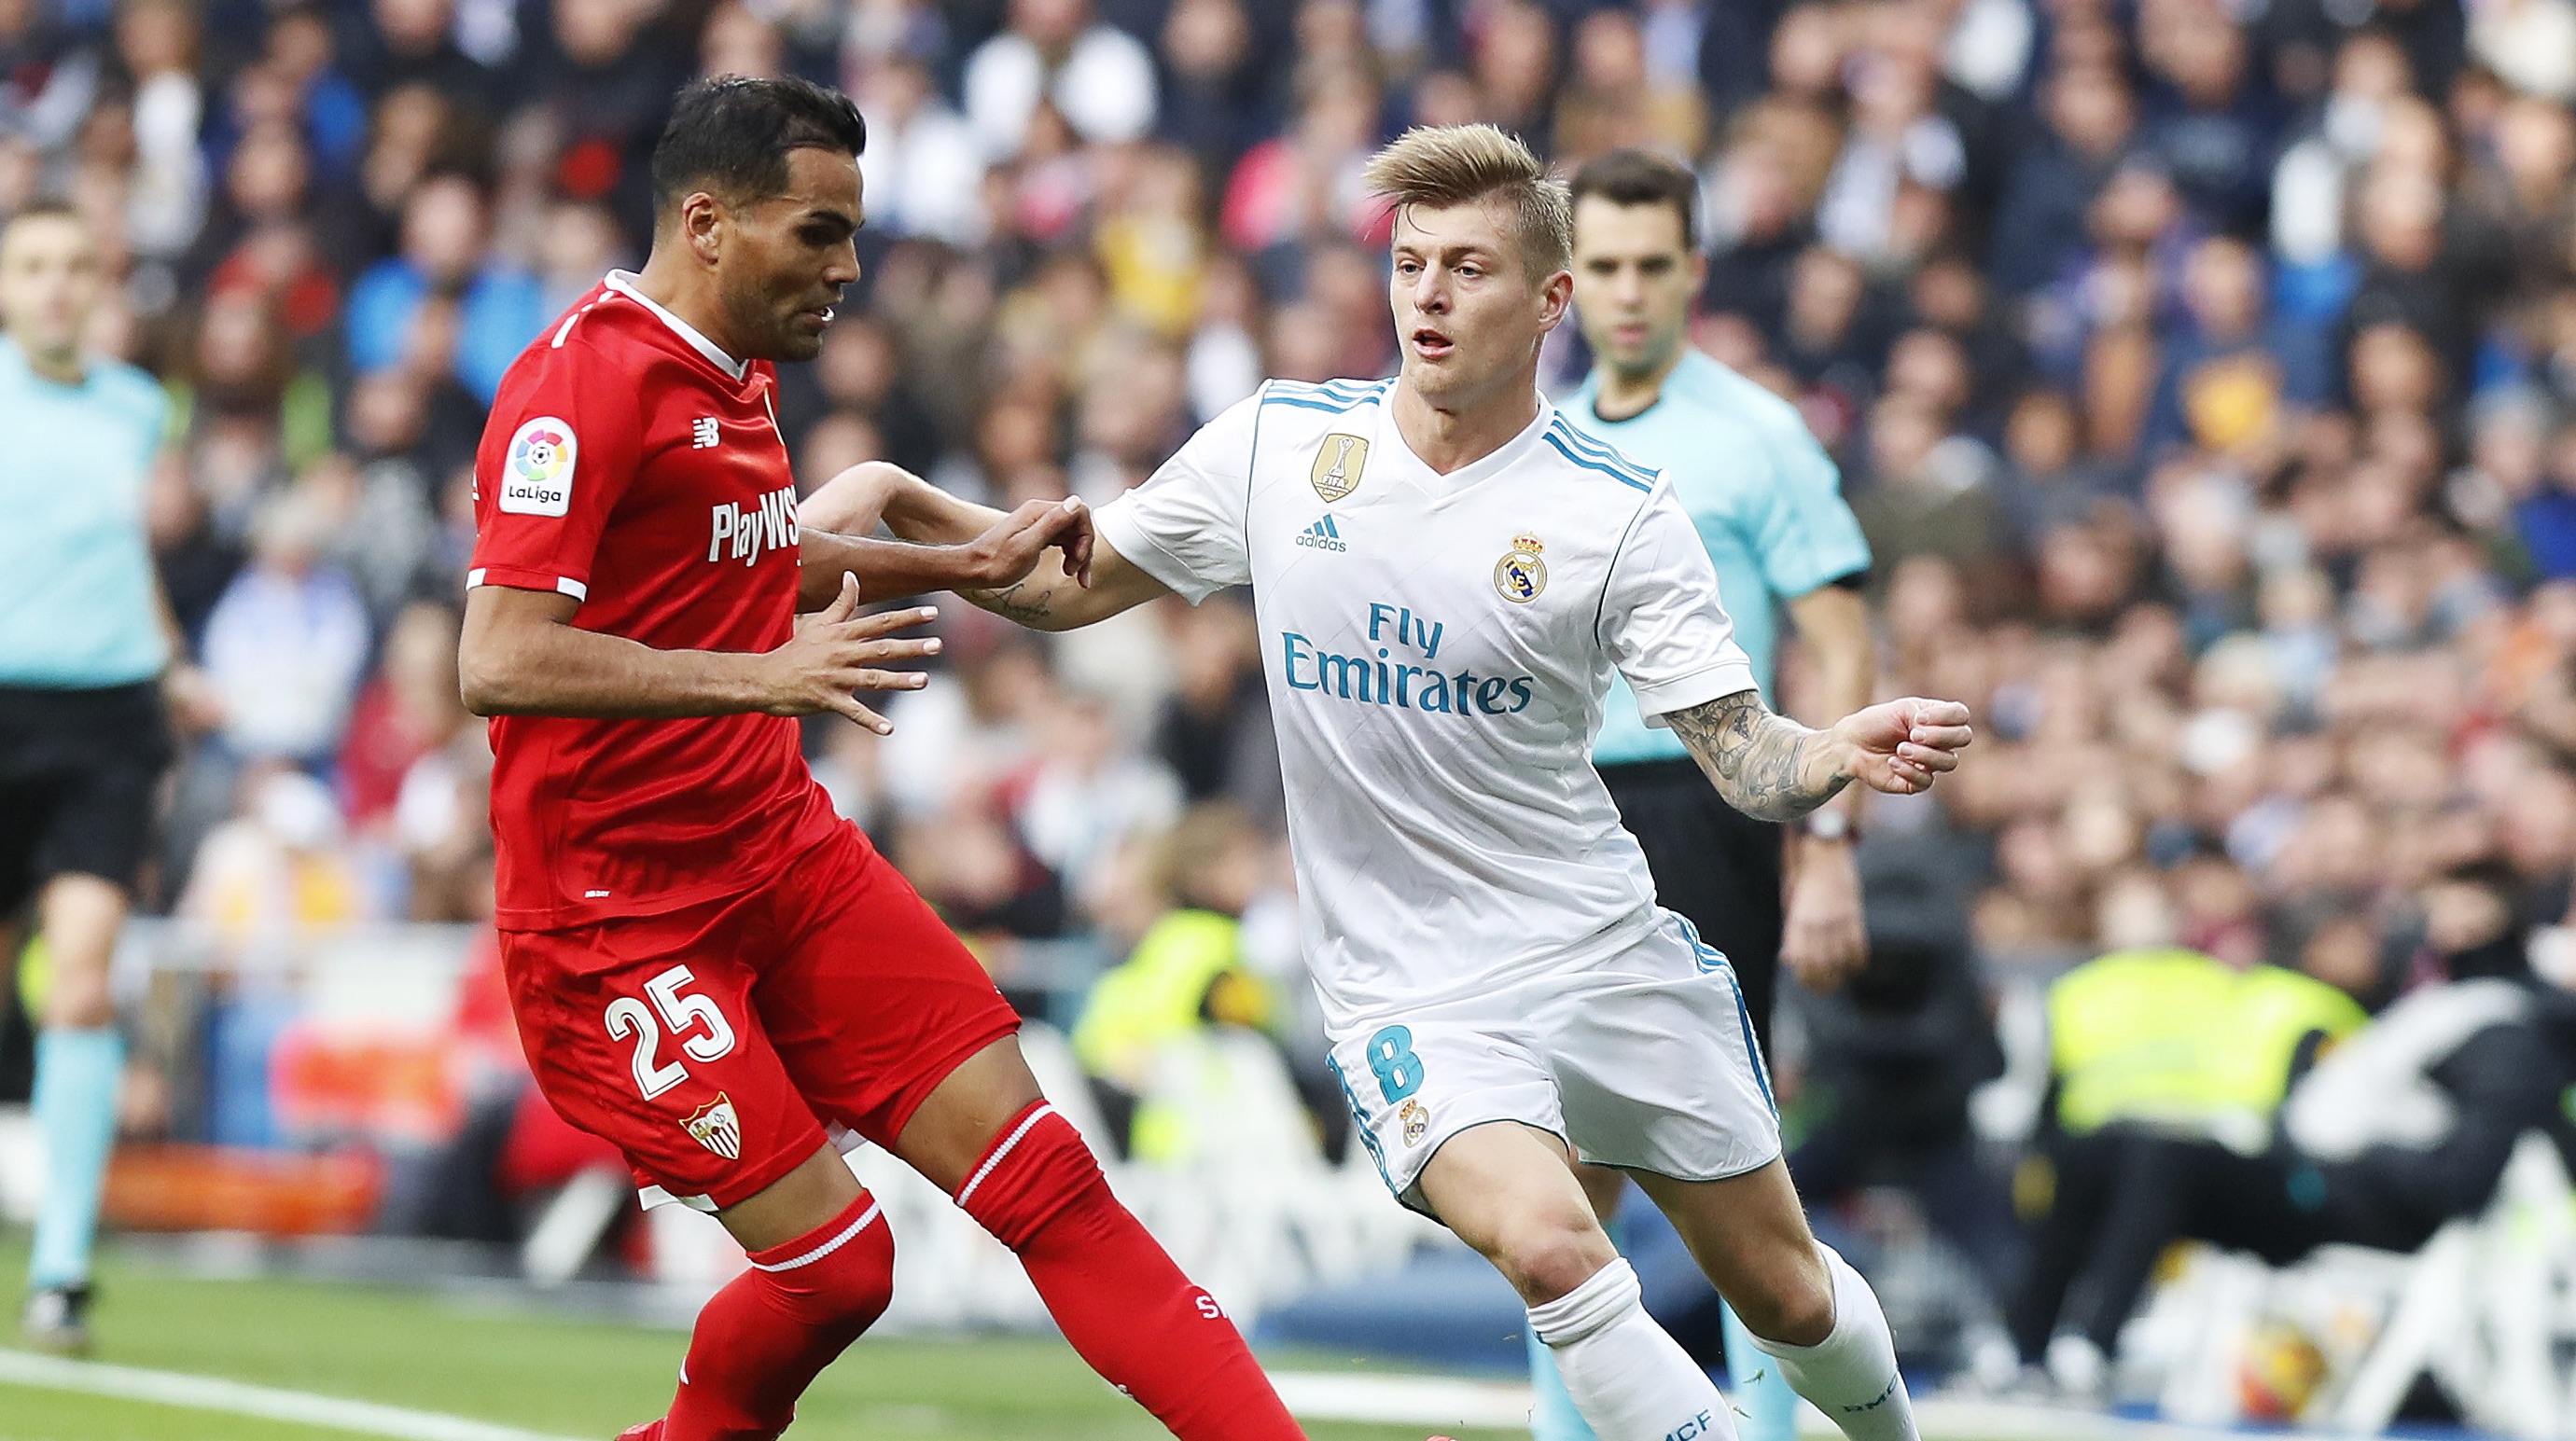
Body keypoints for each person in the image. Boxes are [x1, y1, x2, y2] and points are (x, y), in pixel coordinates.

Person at [814, 123, 1972, 1441]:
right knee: (1552, 1253)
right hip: (1408, 989)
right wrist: (902, 502)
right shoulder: (1281, 448)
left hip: (1599, 950)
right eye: (1410, 262)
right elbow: (1058, 577)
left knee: (1789, 1296)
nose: (1425, 291)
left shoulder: (1617, 513)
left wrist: (1832, 751)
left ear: (1549, 302)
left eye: (1467, 267)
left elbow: (1739, 753)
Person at [453, 76, 1310, 1441]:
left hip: (782, 858)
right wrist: (763, 680)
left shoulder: (738, 371)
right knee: (840, 1267)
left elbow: (737, 559)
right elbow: (494, 656)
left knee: (1052, 1184)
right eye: (820, 233)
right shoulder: (580, 384)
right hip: (618, 928)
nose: (848, 268)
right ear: (708, 222)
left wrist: (951, 564)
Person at [1525, 146, 1881, 1441]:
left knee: (1728, 1160)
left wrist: (1828, 840)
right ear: (1565, 282)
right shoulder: (1539, 438)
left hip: (1705, 802)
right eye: (1602, 267)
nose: (1626, 294)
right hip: (1561, 812)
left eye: (1650, 266)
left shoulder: (1756, 435)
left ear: (1694, 273)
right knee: (1560, 1169)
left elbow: (1837, 639)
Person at [0, 201, 205, 1352]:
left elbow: (121, 560)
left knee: (78, 985)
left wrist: (174, 663)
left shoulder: (136, 408)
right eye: (32, 266)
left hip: (107, 717)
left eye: (75, 266)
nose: (56, 287)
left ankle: (64, 1270)